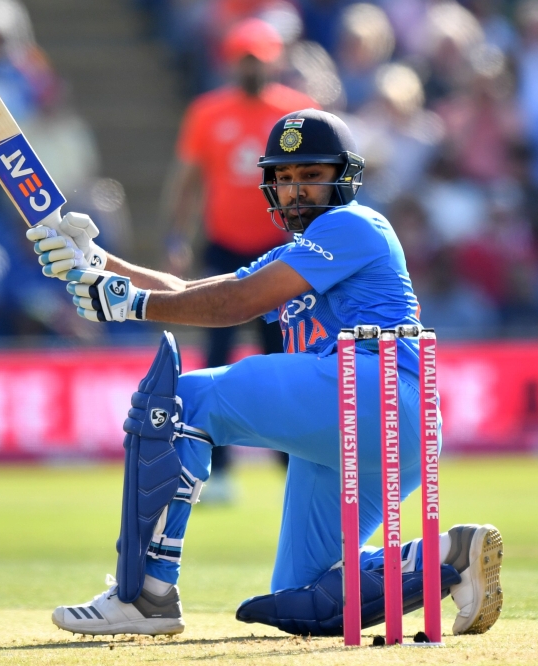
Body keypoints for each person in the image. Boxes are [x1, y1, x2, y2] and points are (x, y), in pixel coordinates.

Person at [27, 110, 504, 638]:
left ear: (344, 177)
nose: (295, 189)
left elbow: (238, 302)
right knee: (306, 596)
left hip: (374, 390)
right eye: (285, 177)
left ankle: (145, 594)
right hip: (378, 426)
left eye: (311, 176)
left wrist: (130, 304)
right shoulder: (298, 253)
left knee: (183, 401)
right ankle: (448, 555)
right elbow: (188, 290)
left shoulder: (353, 224)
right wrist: (96, 261)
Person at [164, 18, 319, 502]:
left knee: (285, 358)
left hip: (281, 252)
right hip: (225, 245)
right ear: (232, 59)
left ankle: (292, 463)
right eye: (245, 57)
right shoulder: (208, 112)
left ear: (273, 58)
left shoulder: (296, 111)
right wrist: (176, 233)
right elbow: (187, 178)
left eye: (260, 56)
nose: (252, 65)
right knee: (217, 356)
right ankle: (219, 468)